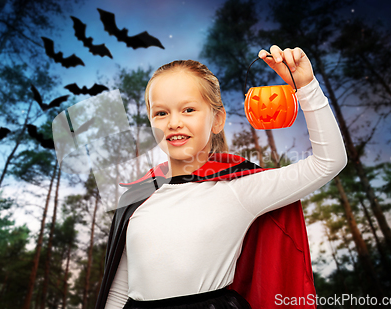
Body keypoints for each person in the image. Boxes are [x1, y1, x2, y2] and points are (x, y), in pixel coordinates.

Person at [95, 45, 348, 309]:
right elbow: (121, 288)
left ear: (217, 120)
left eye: (188, 110)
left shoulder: (239, 189)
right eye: (161, 113)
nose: (173, 123)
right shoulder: (137, 195)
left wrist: (306, 85)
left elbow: (329, 161)